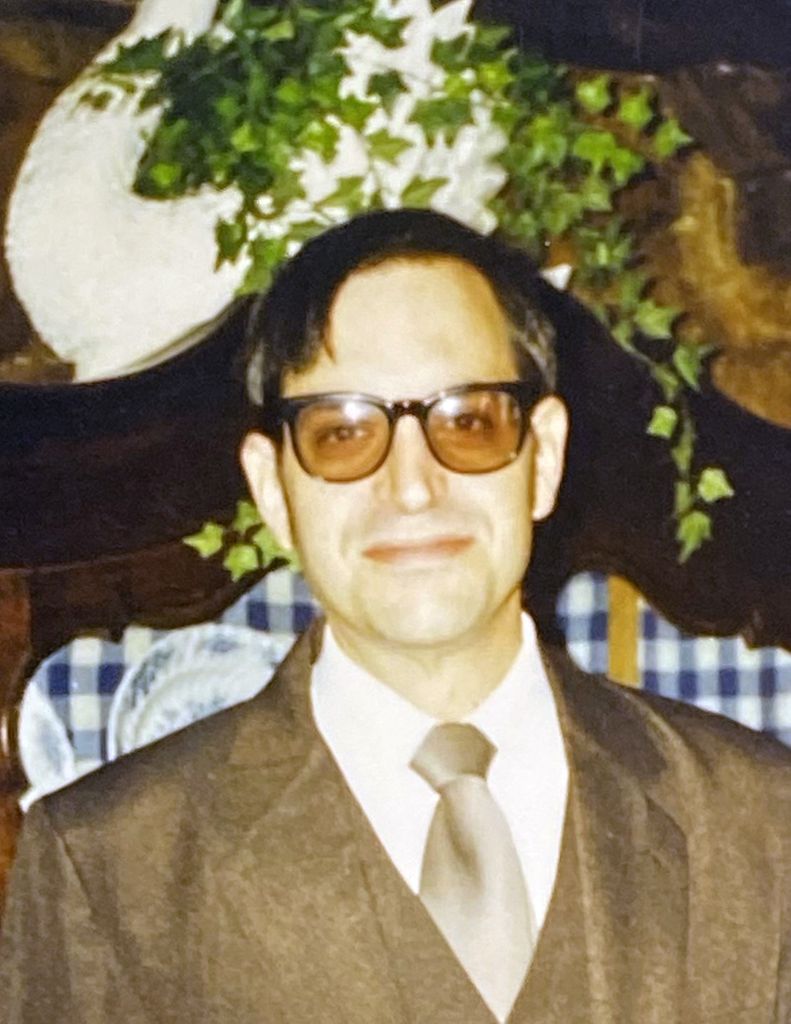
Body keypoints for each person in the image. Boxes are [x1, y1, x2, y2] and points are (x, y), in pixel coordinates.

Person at [1, 209, 790, 1024]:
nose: (411, 487)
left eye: (467, 421)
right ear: (273, 489)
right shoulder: (110, 867)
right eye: (343, 432)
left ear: (543, 457)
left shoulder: (759, 823)